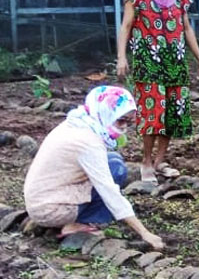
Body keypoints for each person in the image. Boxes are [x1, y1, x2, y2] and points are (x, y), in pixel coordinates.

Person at [24, 86, 164, 249]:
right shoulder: (88, 142)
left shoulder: (77, 121)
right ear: (105, 112)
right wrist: (145, 233)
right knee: (116, 170)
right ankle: (73, 223)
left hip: (40, 200)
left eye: (129, 122)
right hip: (51, 210)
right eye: (120, 120)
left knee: (112, 160)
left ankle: (62, 217)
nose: (124, 127)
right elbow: (108, 190)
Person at [117, 0, 199, 183]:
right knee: (152, 113)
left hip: (175, 63)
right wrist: (122, 57)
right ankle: (146, 162)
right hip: (148, 63)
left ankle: (159, 161)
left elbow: (187, 28)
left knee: (172, 113)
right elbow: (126, 26)